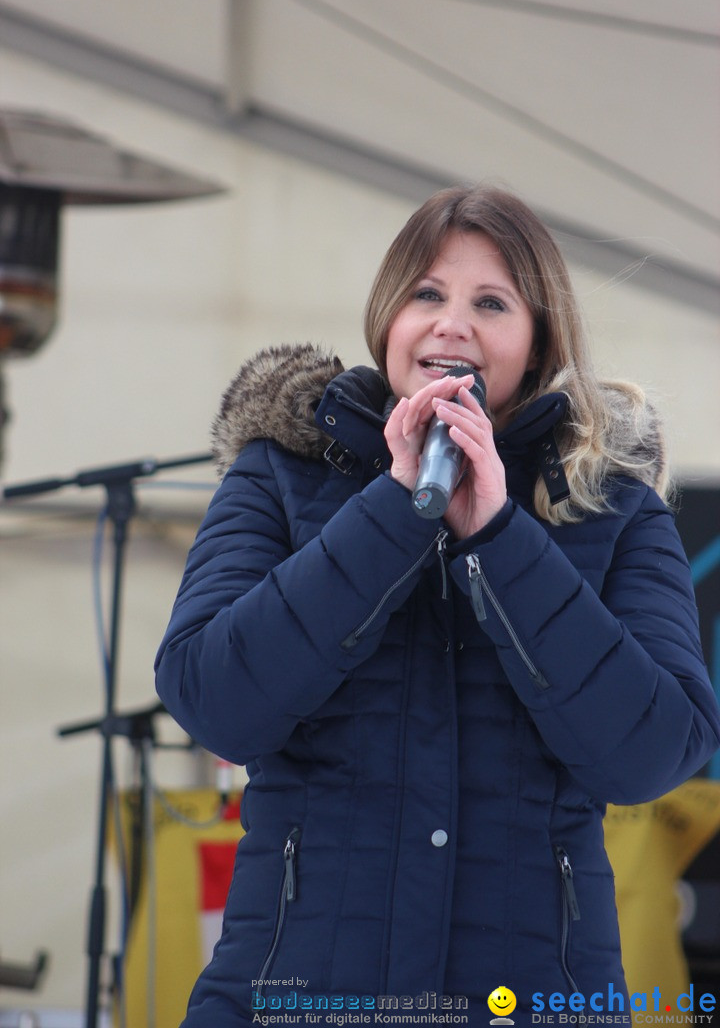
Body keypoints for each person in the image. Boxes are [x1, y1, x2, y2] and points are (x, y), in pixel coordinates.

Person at [154, 185, 720, 1026]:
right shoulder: (278, 475)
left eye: (490, 303)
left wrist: (498, 534)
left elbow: (653, 754)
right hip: (295, 997)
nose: (452, 323)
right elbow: (214, 702)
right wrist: (393, 510)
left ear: (535, 345)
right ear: (389, 320)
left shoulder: (612, 508)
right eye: (428, 294)